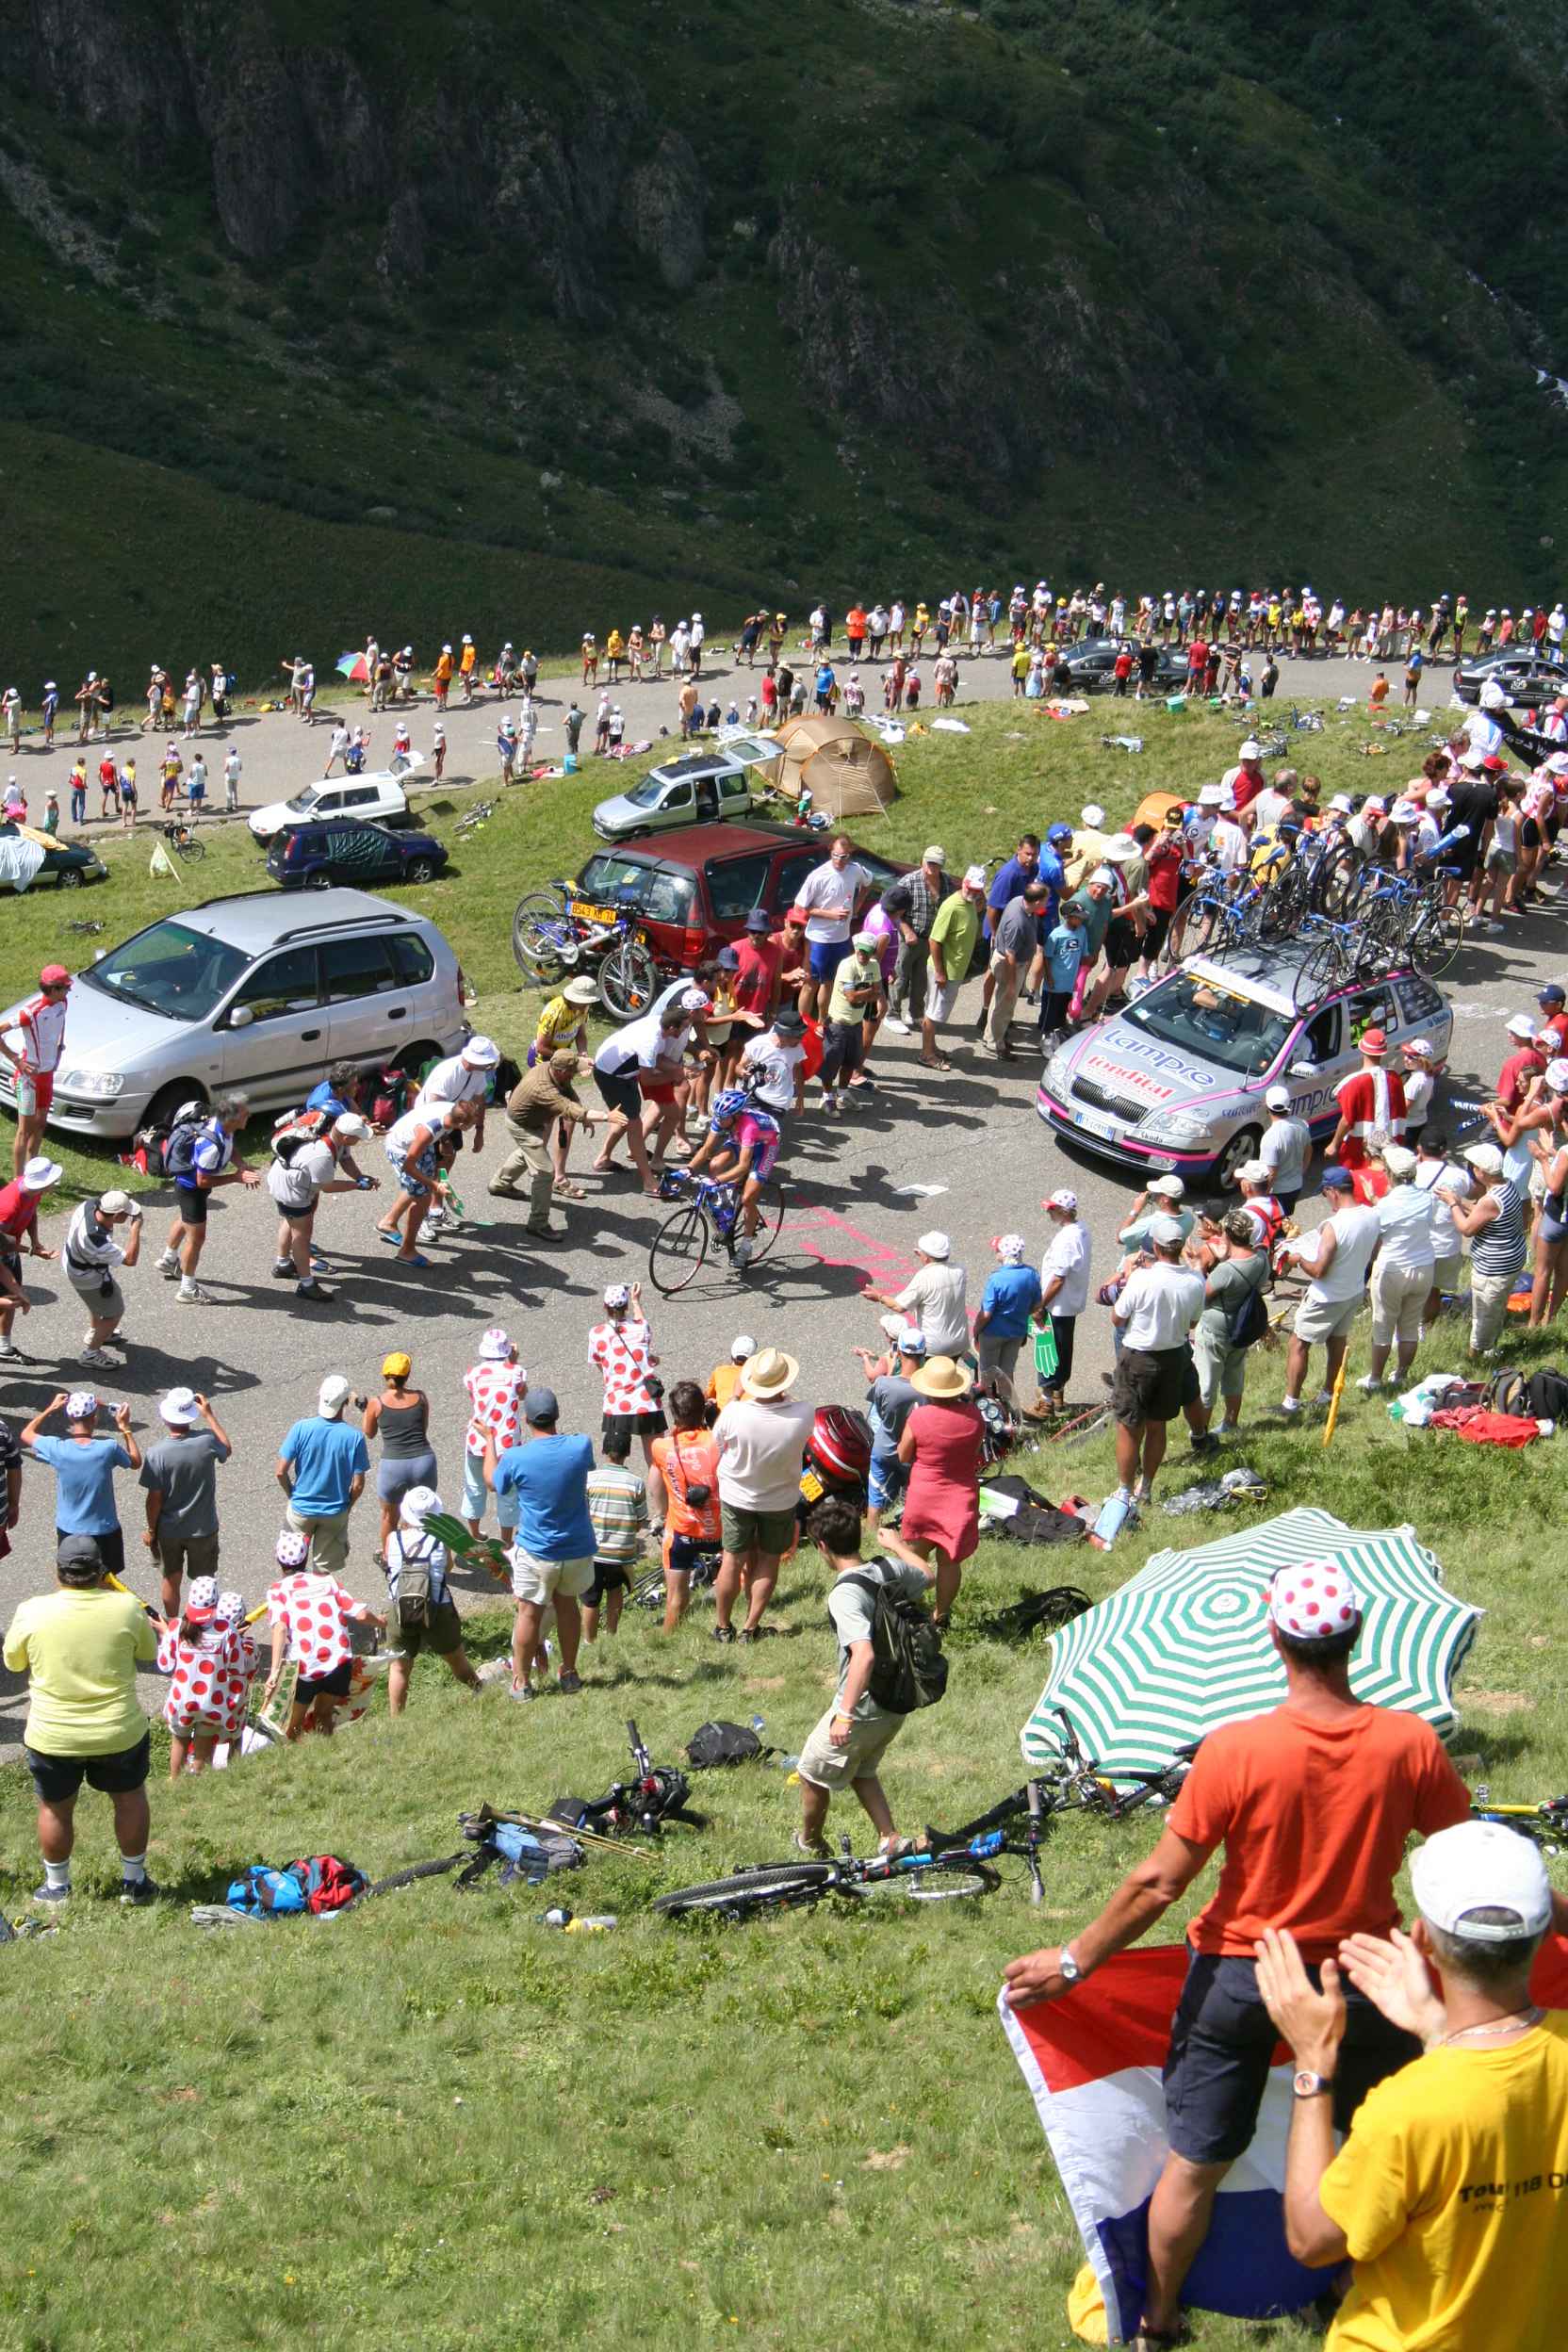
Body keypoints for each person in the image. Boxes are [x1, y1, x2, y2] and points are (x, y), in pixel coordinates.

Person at [1002, 1559, 1473, 2346]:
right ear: (1356, 1637)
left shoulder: (1234, 1750)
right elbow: (1467, 1861)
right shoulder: (1408, 1742)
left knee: (1195, 2161)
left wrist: (1075, 1961)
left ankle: (1158, 2320)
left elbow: (1160, 1882)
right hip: (1363, 1980)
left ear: (1275, 1639)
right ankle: (1353, 2286)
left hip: (1239, 1980)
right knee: (1375, 2145)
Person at [1255, 1820, 1568, 2352]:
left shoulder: (1407, 2108)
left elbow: (1312, 2238)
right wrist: (1435, 2029)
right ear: (1541, 1936)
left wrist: (1312, 2061)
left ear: (1425, 1939)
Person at [3, 1534, 159, 1905]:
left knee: (55, 1807)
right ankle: (134, 1882)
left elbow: (13, 1662)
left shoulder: (32, 1611)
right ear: (101, 1572)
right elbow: (148, 1651)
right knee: (129, 1799)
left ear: (57, 1572)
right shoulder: (127, 1607)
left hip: (53, 1735)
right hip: (118, 1730)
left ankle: (57, 1887)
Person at [794, 1495, 938, 1858]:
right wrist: (897, 1546)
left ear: (822, 1546)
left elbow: (864, 1654)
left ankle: (810, 1843)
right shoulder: (889, 1569)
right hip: (898, 1698)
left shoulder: (845, 1595)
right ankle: (889, 1839)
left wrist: (844, 1715)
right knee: (862, 1770)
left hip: (864, 1704)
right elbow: (928, 1575)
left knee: (811, 1771)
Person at [486, 1387, 596, 1700]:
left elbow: (493, 1483)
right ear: (556, 1415)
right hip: (575, 1547)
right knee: (568, 1606)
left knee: (529, 1613)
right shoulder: (580, 1445)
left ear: (527, 1419)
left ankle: (521, 1683)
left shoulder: (516, 1456)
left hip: (537, 1551)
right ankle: (570, 1673)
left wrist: (489, 1441)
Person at [710, 1347, 814, 1643]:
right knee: (769, 1559)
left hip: (737, 1496)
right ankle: (750, 1628)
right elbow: (794, 1409)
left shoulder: (735, 1412)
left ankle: (723, 1627)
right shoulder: (803, 1413)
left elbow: (718, 1440)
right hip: (779, 1500)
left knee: (732, 1559)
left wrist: (734, 1397)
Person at [1107, 1215, 1206, 1505]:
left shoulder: (1142, 1278)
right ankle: (1146, 1488)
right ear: (1179, 1247)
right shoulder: (1195, 1281)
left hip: (1138, 1357)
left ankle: (1125, 1491)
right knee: (1157, 1424)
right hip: (1173, 1357)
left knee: (1128, 1425)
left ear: (1157, 1247)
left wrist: (1129, 1275)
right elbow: (1192, 1323)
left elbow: (1117, 1318)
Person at [1271, 1167, 1381, 1416]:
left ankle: (1290, 1404)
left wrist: (1298, 1259)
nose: (1326, 1198)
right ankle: (1328, 1394)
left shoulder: (1333, 1225)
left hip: (1326, 1296)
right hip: (1353, 1291)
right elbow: (1375, 1252)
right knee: (1337, 1342)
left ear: (1332, 1191)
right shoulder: (1372, 1215)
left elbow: (1319, 1270)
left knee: (1298, 1343)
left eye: (1324, 1194)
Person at [263, 1527, 385, 1740]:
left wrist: (274, 1671)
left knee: (293, 1726)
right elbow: (360, 1614)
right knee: (324, 1714)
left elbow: (280, 1628)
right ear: (305, 1558)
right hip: (339, 1662)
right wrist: (381, 1622)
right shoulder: (327, 1581)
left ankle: (296, 1754)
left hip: (305, 1667)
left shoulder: (277, 1590)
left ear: (279, 1561)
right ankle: (327, 1749)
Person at [894, 1352, 983, 1623]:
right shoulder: (974, 1417)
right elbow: (975, 1452)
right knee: (949, 1562)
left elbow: (903, 1455)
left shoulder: (919, 1418)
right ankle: (941, 1615)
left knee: (914, 1555)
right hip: (960, 1497)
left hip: (924, 1496)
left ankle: (908, 1608)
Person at [21, 1389, 141, 1583]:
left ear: (70, 1417)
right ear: (95, 1418)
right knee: (107, 1583)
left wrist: (51, 1408)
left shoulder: (57, 1448)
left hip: (69, 1531)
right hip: (104, 1530)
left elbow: (26, 1434)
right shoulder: (107, 1448)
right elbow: (135, 1462)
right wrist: (125, 1428)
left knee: (71, 1581)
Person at [152, 1094, 261, 1306]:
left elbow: (230, 1148)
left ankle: (168, 1259)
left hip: (188, 1187)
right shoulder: (210, 1145)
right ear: (232, 1118)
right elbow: (202, 1181)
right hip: (192, 1190)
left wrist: (241, 1164)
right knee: (196, 1239)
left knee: (186, 1219)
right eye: (245, 1113)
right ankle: (187, 1289)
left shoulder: (222, 1127)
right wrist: (236, 1178)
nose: (249, 1114)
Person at [381, 1488, 480, 1715]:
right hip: (437, 1608)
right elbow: (447, 1568)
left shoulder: (393, 1539)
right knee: (455, 1659)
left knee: (399, 1668)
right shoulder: (440, 1540)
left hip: (399, 1609)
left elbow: (389, 1566)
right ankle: (479, 1689)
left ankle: (396, 1718)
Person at [139, 1386, 232, 1618]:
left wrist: (151, 1530)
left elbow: (154, 1500)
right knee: (205, 1581)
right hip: (203, 1527)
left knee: (171, 1578)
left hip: (170, 1530)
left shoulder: (157, 1453)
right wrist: (209, 1415)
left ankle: (172, 1624)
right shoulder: (207, 1441)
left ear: (166, 1417)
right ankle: (202, 1624)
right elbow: (226, 1448)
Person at [156, 1578, 259, 1778]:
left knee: (179, 1743)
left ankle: (175, 1782)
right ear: (216, 1604)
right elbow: (237, 1668)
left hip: (181, 1700)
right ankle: (195, 1780)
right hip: (212, 1700)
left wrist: (165, 1636)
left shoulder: (177, 1626)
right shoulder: (227, 1630)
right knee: (202, 1751)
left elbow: (165, 1664)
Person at [586, 1280, 667, 1526]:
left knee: (614, 1460)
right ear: (626, 1307)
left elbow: (600, 1365)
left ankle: (611, 1512)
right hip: (646, 1403)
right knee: (655, 1461)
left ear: (605, 1307)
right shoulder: (641, 1328)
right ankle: (661, 1515)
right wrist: (637, 1300)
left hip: (617, 1404)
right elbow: (641, 1322)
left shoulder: (597, 1334)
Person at [491, 1049, 596, 1233]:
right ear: (561, 1071)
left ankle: (499, 1185)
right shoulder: (542, 1086)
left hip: (530, 1121)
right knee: (545, 1171)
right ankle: (538, 1224)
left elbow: (569, 1092)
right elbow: (566, 1106)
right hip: (522, 1125)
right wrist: (605, 1116)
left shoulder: (552, 1068)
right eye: (572, 1071)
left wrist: (582, 1114)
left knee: (526, 1153)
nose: (574, 1075)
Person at [270, 1111, 374, 1297]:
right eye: (358, 1137)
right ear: (346, 1137)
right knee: (302, 1236)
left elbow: (345, 1159)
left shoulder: (333, 1137)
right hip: (292, 1190)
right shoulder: (322, 1155)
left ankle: (283, 1265)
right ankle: (306, 1285)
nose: (359, 1140)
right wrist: (357, 1185)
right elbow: (328, 1187)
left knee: (291, 1221)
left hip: (286, 1178)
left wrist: (360, 1177)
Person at [1361, 1142, 1438, 1391]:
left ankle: (1375, 1378)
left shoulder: (1385, 1205)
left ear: (1390, 1174)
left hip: (1392, 1269)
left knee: (1383, 1326)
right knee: (1410, 1326)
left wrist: (1374, 1200)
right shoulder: (1428, 1198)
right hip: (1424, 1266)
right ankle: (1401, 1375)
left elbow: (1377, 1232)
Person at [274, 1374, 369, 1572]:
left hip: (301, 1509)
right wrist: (347, 1506)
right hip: (334, 1512)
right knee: (322, 1573)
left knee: (291, 1566)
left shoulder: (301, 1428)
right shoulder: (354, 1438)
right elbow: (358, 1484)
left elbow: (280, 1472)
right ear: (345, 1403)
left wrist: (292, 1494)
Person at [1188, 1207, 1268, 1442]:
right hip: (1243, 1327)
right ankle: (1230, 1423)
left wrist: (1198, 1269)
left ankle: (1201, 1434)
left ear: (1229, 1235)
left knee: (1207, 1382)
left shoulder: (1226, 1270)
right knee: (1234, 1377)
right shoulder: (1261, 1258)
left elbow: (1203, 1295)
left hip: (1215, 1331)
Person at [1442, 1140, 1528, 1355]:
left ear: (1481, 1171)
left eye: (1473, 1166)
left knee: (1483, 1315)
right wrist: (1460, 1202)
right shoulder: (1507, 1185)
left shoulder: (1490, 1200)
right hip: (1511, 1261)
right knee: (1497, 1307)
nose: (1471, 1170)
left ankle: (1476, 1357)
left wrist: (1453, 1204)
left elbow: (1467, 1228)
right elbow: (1483, 1213)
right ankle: (1491, 1347)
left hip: (1494, 1268)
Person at [592, 1004, 687, 1196]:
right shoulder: (651, 1041)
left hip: (620, 1074)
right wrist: (674, 1076)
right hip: (611, 1077)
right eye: (683, 1027)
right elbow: (648, 1079)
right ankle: (649, 1183)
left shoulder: (658, 1026)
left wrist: (679, 1070)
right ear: (672, 1027)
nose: (684, 1031)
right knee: (634, 1125)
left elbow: (658, 1060)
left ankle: (603, 1159)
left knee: (624, 1118)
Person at [650, 1381, 722, 1634]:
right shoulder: (717, 1440)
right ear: (703, 1410)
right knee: (740, 1568)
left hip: (682, 1530)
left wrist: (660, 1515)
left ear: (674, 1413)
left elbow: (656, 1484)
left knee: (675, 1598)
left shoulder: (661, 1447)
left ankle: (668, 1637)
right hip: (719, 1529)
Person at [372, 1098, 468, 1266]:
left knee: (420, 1188)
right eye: (474, 1122)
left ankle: (388, 1223)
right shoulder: (428, 1131)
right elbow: (408, 1167)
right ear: (461, 1123)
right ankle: (406, 1251)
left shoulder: (452, 1111)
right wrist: (435, 1185)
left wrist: (445, 1140)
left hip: (421, 1144)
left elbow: (443, 1126)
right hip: (401, 1149)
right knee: (423, 1197)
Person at [0, 962, 72, 1180]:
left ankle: (34, 1173)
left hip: (47, 1075)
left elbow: (59, 1027)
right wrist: (16, 1060)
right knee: (25, 1130)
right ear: (53, 989)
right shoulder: (29, 1012)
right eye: (66, 987)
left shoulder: (62, 1003)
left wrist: (58, 1050)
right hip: (29, 1078)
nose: (69, 990)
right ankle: (18, 1180)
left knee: (40, 1125)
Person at [362, 1351, 437, 1557]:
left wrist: (366, 1411)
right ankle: (425, 1554)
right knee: (423, 1512)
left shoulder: (376, 1402)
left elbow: (369, 1433)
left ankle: (389, 1557)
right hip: (423, 1462)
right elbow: (423, 1428)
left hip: (393, 1466)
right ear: (408, 1375)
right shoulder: (421, 1398)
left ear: (384, 1375)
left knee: (389, 1516)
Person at [1027, 1189, 1091, 1418]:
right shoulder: (1081, 1229)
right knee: (1063, 1350)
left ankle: (1045, 1405)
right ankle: (1058, 1396)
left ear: (1063, 1211)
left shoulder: (1066, 1239)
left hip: (1057, 1305)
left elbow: (1058, 1279)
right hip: (1069, 1303)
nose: (1049, 1213)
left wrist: (1040, 1305)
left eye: (1052, 1209)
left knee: (1048, 1352)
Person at [62, 1185, 141, 1366]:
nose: (130, 1216)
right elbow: (130, 1260)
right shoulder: (95, 1239)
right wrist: (135, 1229)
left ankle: (96, 1331)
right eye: (127, 1213)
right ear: (116, 1215)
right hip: (86, 1275)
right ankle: (91, 1354)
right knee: (114, 1312)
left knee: (98, 1303)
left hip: (73, 1261)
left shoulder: (89, 1205)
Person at [583, 1429, 648, 1644]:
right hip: (621, 1552)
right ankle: (611, 1635)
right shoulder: (636, 1483)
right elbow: (640, 1521)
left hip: (594, 1551)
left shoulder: (590, 1479)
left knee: (591, 1599)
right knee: (615, 1590)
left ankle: (589, 1640)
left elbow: (582, 1513)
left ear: (603, 1451)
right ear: (628, 1452)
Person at [795, 834, 871, 1021]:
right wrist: (830, 914)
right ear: (830, 852)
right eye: (835, 855)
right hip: (818, 939)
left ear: (850, 855)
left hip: (841, 938)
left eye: (843, 857)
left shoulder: (855, 870)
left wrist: (856, 907)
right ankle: (801, 1023)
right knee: (811, 983)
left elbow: (868, 883)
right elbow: (801, 907)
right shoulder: (818, 875)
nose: (839, 860)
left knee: (830, 982)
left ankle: (823, 1022)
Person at [921, 863, 988, 1070]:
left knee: (937, 1012)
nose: (973, 892)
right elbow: (934, 940)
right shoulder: (951, 907)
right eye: (970, 887)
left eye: (977, 890)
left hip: (955, 971)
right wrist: (940, 972)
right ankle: (926, 1055)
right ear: (964, 882)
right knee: (933, 1013)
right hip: (944, 972)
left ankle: (932, 1048)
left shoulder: (970, 903)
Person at [461, 1328, 526, 1543]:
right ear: (506, 1350)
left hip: (478, 1440)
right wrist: (513, 1361)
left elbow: (474, 1398)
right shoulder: (516, 1372)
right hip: (507, 1443)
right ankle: (506, 1541)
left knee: (474, 1488)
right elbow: (522, 1394)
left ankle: (475, 1535)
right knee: (508, 1493)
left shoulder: (473, 1374)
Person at [864, 1229, 970, 1358]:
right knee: (948, 1369)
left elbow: (899, 1306)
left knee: (925, 1371)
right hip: (959, 1340)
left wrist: (879, 1296)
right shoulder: (960, 1270)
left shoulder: (924, 1277)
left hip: (934, 1346)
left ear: (926, 1257)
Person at [0, 1152, 62, 1362]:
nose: (55, 1183)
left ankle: (3, 1348)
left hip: (8, 1252)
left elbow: (31, 1213)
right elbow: (1, 1242)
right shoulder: (7, 1207)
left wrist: (35, 1241)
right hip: (3, 1252)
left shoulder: (32, 1190)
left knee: (11, 1298)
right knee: (7, 1300)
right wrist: (31, 1251)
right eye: (53, 1180)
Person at [818, 928, 885, 1113]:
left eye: (867, 951)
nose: (862, 954)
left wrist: (868, 993)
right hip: (838, 1024)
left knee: (850, 1063)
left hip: (856, 1023)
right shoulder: (847, 965)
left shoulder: (874, 966)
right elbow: (851, 997)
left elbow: (877, 992)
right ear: (855, 948)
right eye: (860, 950)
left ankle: (843, 1093)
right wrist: (869, 992)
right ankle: (827, 1097)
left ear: (873, 952)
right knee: (831, 1064)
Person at [986, 878, 1051, 1058]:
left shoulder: (1019, 901)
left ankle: (992, 1037)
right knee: (1004, 1006)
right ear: (1037, 902)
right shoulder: (1017, 922)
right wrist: (1012, 985)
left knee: (1000, 1003)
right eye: (1045, 900)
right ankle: (996, 1045)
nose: (1047, 902)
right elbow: (1010, 956)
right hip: (1009, 966)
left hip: (1013, 963)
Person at [972, 1233, 1042, 1398]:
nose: (995, 1253)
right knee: (1007, 1373)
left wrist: (976, 1330)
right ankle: (1009, 1407)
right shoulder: (1031, 1274)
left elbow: (986, 1313)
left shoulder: (996, 1279)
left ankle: (989, 1405)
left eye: (997, 1250)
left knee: (987, 1374)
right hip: (1016, 1333)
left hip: (992, 1333)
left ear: (1004, 1254)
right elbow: (1037, 1304)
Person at [1328, 1027, 1406, 1171]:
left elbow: (1346, 1120)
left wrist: (1334, 1144)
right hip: (1390, 1144)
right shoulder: (1395, 1077)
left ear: (1362, 1049)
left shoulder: (1352, 1083)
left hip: (1358, 1147)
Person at [1260, 1084, 1312, 1213]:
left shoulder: (1271, 1137)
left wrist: (1262, 1196)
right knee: (1285, 1220)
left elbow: (1271, 1173)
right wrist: (1300, 1172)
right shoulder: (1302, 1124)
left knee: (1273, 1223)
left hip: (1277, 1192)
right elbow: (1309, 1150)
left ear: (1267, 1106)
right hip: (1296, 1186)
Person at [703, 1333, 756, 1423]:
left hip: (722, 1420)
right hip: (751, 1421)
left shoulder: (720, 1371)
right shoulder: (758, 1375)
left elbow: (709, 1395)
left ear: (732, 1355)